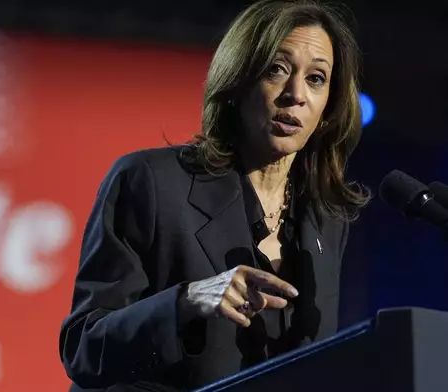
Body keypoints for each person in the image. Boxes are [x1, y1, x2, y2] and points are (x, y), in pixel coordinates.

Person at [59, 0, 370, 390]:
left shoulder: (324, 219)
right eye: (277, 69)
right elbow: (84, 348)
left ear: (328, 108)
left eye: (316, 78)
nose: (296, 94)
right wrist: (186, 301)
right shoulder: (149, 181)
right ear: (238, 81)